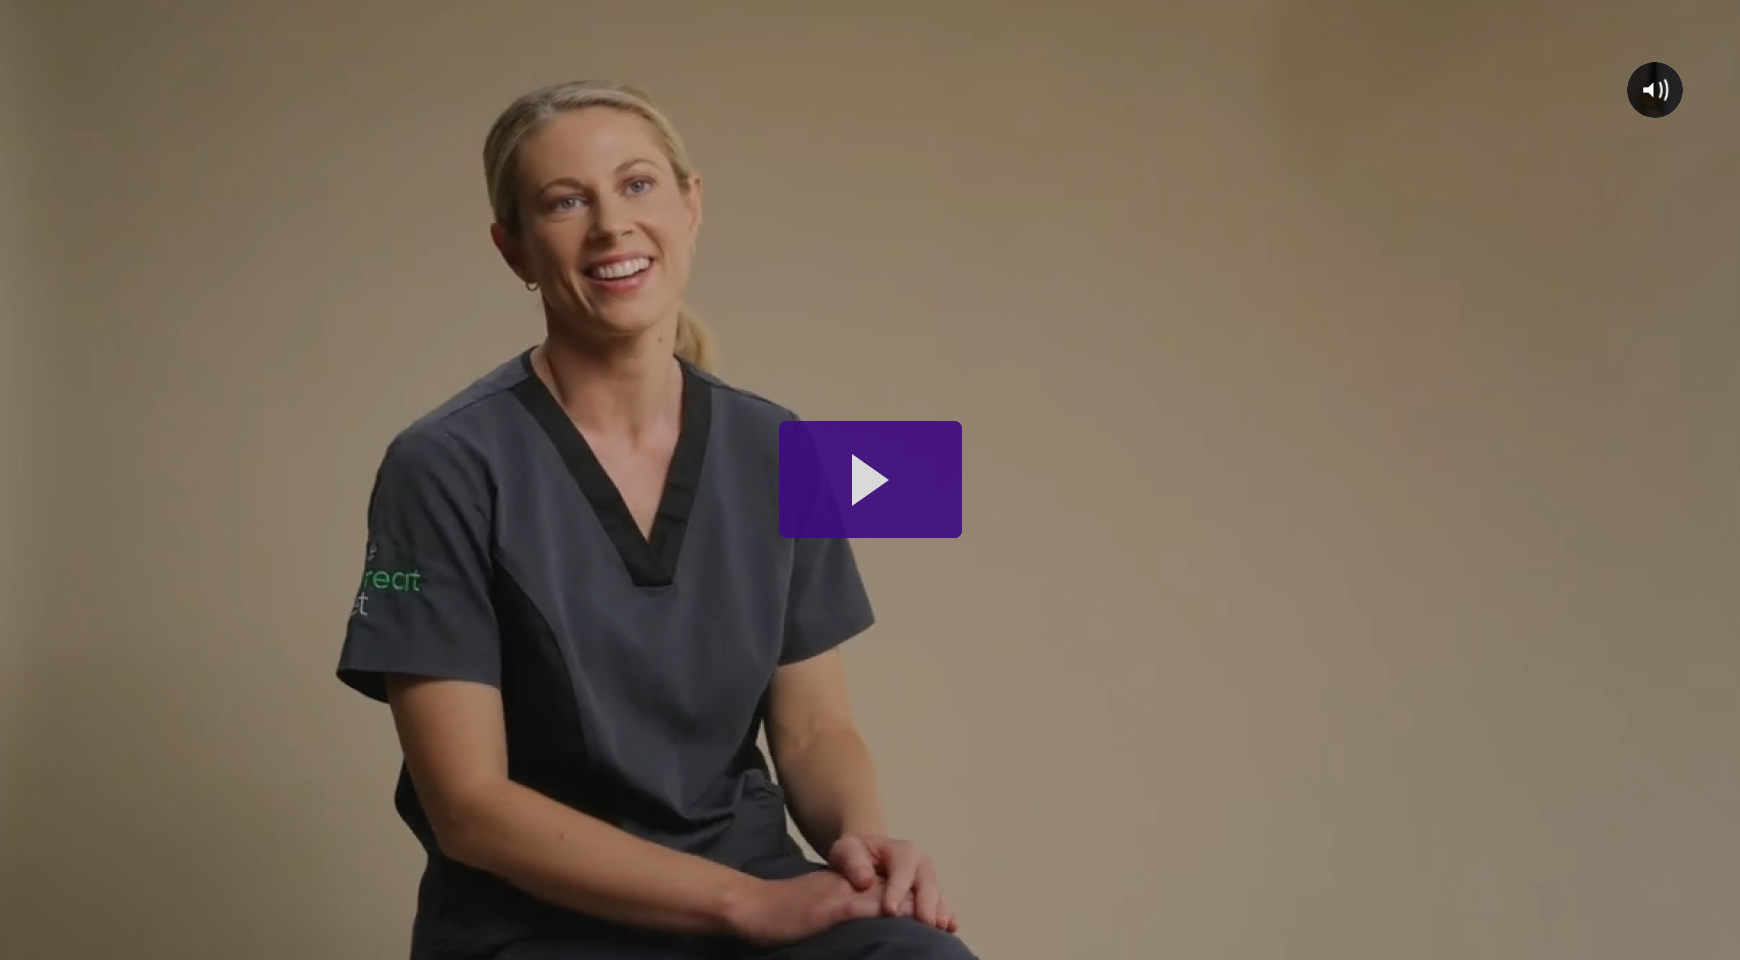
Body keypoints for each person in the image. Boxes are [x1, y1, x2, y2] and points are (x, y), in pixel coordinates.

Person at [334, 79, 979, 960]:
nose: (610, 226)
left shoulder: (787, 447)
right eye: (565, 203)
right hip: (540, 923)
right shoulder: (441, 466)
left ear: (691, 205)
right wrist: (741, 906)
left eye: (637, 185)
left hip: (756, 887)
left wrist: (864, 852)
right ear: (513, 248)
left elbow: (817, 730)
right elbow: (470, 809)